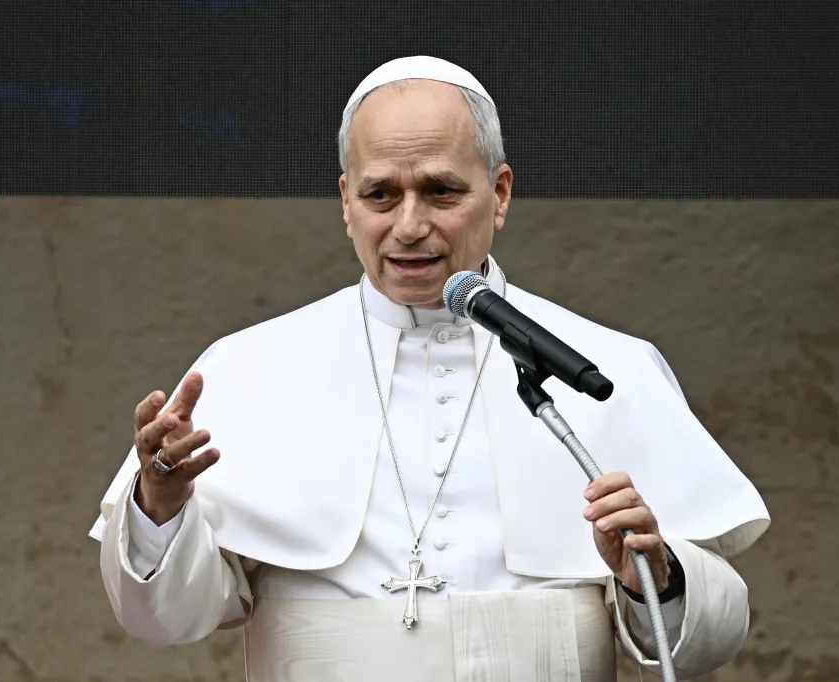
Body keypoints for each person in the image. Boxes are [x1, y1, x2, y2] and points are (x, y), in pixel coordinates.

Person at [89, 56, 770, 681]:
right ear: (345, 202)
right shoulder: (247, 367)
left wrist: (658, 576)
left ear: (499, 194)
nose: (409, 225)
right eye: (380, 195)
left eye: (441, 192)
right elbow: (162, 619)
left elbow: (708, 641)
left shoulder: (607, 366)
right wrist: (161, 507)